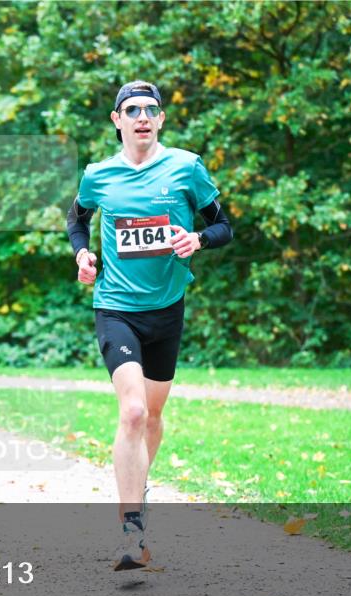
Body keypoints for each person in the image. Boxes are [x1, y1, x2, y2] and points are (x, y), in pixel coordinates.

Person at [66, 81, 233, 570]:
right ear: (117, 121)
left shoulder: (186, 167)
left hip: (167, 309)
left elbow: (225, 226)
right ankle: (131, 531)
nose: (142, 116)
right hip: (115, 308)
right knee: (134, 413)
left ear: (160, 120)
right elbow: (77, 220)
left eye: (151, 109)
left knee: (154, 417)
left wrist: (198, 240)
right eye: (131, 109)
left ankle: (137, 487)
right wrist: (82, 252)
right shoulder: (98, 175)